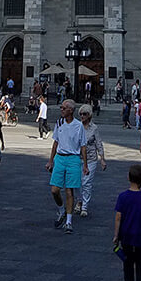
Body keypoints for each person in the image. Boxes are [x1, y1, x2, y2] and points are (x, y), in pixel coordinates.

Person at [46, 98, 88, 233]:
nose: (61, 110)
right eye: (61, 108)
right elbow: (55, 143)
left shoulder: (78, 125)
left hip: (73, 159)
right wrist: (50, 160)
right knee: (54, 190)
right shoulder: (59, 123)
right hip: (60, 158)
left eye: (64, 108)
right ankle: (61, 209)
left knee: (70, 190)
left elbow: (83, 146)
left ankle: (69, 221)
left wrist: (85, 165)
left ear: (71, 110)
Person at [74, 104, 106, 216]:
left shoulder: (94, 128)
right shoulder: (77, 126)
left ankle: (84, 206)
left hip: (91, 159)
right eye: (81, 114)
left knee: (86, 182)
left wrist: (102, 158)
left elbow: (99, 143)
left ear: (89, 115)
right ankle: (79, 200)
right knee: (77, 182)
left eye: (85, 114)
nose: (82, 116)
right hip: (78, 158)